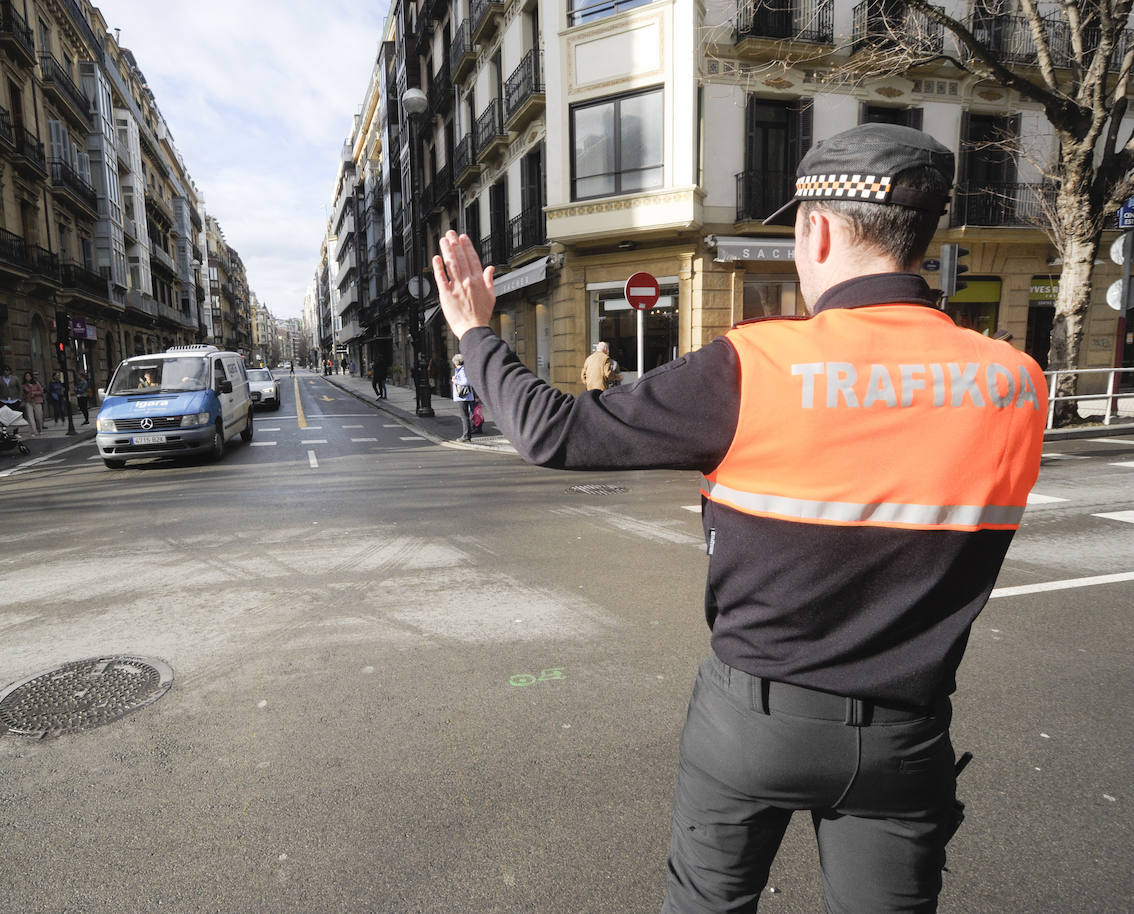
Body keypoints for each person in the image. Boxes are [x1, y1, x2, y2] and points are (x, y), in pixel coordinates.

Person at [431, 123, 1048, 913]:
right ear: (926, 236)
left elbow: (552, 431)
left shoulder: (756, 364)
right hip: (906, 736)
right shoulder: (1016, 382)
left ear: (816, 229)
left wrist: (478, 333)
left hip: (754, 720)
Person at [449, 353, 475, 442]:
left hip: (463, 396)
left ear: (456, 362)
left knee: (464, 417)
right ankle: (467, 435)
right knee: (466, 416)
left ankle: (466, 436)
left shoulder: (463, 370)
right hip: (465, 396)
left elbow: (466, 382)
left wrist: (455, 380)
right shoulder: (462, 369)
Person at [20, 370, 44, 436]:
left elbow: (41, 391)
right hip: (28, 402)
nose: (27, 377)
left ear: (31, 377)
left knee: (39, 416)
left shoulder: (36, 383)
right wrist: (22, 400)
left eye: (29, 376)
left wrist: (35, 393)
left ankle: (39, 429)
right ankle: (34, 431)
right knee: (30, 417)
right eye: (26, 376)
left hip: (37, 401)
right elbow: (23, 394)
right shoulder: (24, 385)